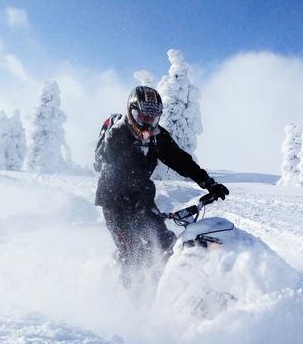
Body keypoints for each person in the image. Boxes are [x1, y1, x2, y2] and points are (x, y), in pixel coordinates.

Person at [95, 85, 229, 280]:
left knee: (164, 244)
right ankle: (134, 302)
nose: (148, 125)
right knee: (133, 254)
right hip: (114, 201)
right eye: (142, 118)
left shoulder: (157, 136)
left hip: (142, 197)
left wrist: (208, 182)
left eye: (153, 118)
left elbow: (181, 160)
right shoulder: (117, 136)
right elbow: (126, 174)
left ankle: (170, 284)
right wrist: (143, 209)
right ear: (131, 113)